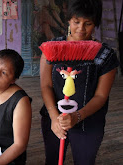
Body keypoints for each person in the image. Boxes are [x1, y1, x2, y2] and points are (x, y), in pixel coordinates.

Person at [39, 0, 119, 165]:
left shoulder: (105, 55)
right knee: (52, 160)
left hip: (89, 122)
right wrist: (54, 118)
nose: (81, 29)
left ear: (95, 23)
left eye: (88, 23)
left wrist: (77, 116)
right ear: (69, 20)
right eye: (76, 22)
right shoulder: (52, 48)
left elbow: (101, 95)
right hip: (55, 117)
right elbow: (46, 86)